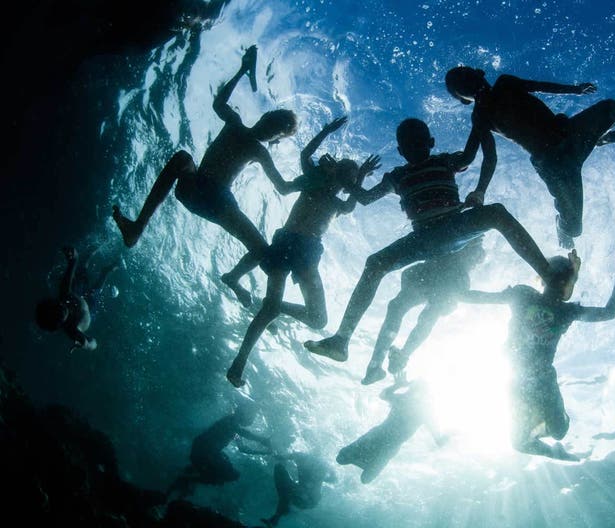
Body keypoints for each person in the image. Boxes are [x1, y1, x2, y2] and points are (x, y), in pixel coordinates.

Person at [305, 118, 552, 362]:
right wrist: (349, 179)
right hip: (423, 239)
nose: (413, 147)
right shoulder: (396, 176)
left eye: (418, 142)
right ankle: (341, 341)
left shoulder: (443, 161)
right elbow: (366, 198)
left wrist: (479, 123)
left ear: (430, 142)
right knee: (374, 263)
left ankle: (548, 274)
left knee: (497, 213)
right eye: (408, 144)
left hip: (452, 229)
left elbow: (467, 156)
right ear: (401, 151)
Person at [112, 45, 298, 306]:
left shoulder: (259, 151)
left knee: (262, 250)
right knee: (182, 158)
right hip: (193, 186)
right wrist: (242, 71)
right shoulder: (234, 123)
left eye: (276, 133)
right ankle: (138, 227)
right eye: (273, 123)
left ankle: (233, 278)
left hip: (219, 201)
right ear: (265, 116)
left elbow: (282, 187)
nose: (269, 131)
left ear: (275, 139)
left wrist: (311, 178)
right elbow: (218, 102)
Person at [225, 116, 381, 387]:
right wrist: (326, 131)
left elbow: (351, 205)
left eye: (350, 180)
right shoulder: (313, 181)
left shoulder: (337, 203)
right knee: (269, 309)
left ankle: (275, 308)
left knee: (319, 319)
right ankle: (240, 360)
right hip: (288, 242)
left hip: (308, 252)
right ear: (334, 173)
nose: (345, 182)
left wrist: (363, 176)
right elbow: (306, 154)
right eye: (345, 175)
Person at [462, 243, 615, 460]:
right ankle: (554, 451)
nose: (559, 281)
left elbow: (609, 313)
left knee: (555, 433)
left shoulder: (565, 310)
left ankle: (549, 442)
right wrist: (455, 293)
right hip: (517, 379)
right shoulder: (525, 295)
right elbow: (483, 297)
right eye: (560, 276)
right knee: (522, 442)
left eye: (564, 277)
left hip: (539, 379)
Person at [444, 66, 615, 248]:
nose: (466, 79)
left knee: (614, 108)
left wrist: (576, 89)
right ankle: (561, 226)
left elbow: (540, 86)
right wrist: (479, 190)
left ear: (479, 73)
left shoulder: (505, 83)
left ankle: (598, 140)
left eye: (466, 73)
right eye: (460, 84)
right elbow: (487, 157)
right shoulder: (481, 116)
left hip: (568, 133)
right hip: (553, 164)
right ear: (464, 100)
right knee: (573, 229)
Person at [362, 236, 486, 385]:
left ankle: (384, 362)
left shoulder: (469, 241)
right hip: (440, 274)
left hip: (441, 275)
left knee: (412, 310)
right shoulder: (468, 239)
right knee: (412, 310)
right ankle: (386, 362)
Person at [336, 377, 446, 483]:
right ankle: (362, 461)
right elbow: (383, 395)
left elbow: (438, 439)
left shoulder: (425, 412)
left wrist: (450, 437)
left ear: (425, 394)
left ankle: (362, 461)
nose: (416, 393)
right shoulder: (403, 399)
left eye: (419, 389)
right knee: (340, 459)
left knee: (365, 479)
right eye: (414, 388)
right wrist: (396, 385)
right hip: (377, 436)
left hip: (389, 446)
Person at [166, 403, 271, 500]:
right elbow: (244, 434)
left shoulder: (234, 426)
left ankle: (186, 482)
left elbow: (242, 448)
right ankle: (188, 480)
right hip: (204, 450)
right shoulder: (231, 420)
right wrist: (262, 440)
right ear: (244, 413)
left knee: (224, 474)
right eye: (252, 416)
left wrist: (263, 452)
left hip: (205, 451)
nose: (252, 419)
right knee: (226, 475)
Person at [34, 246, 118, 351]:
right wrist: (86, 344)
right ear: (59, 325)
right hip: (89, 312)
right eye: (57, 314)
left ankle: (91, 252)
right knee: (97, 289)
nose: (61, 307)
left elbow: (71, 266)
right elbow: (94, 344)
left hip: (78, 296)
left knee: (80, 275)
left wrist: (73, 257)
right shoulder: (72, 330)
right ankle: (105, 271)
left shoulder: (64, 295)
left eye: (56, 305)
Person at [253, 451, 337, 527]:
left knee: (281, 474)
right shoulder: (319, 463)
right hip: (310, 500)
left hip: (307, 497)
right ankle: (279, 514)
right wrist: (322, 478)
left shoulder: (304, 457)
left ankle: (278, 515)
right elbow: (334, 479)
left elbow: (281, 457)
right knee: (287, 487)